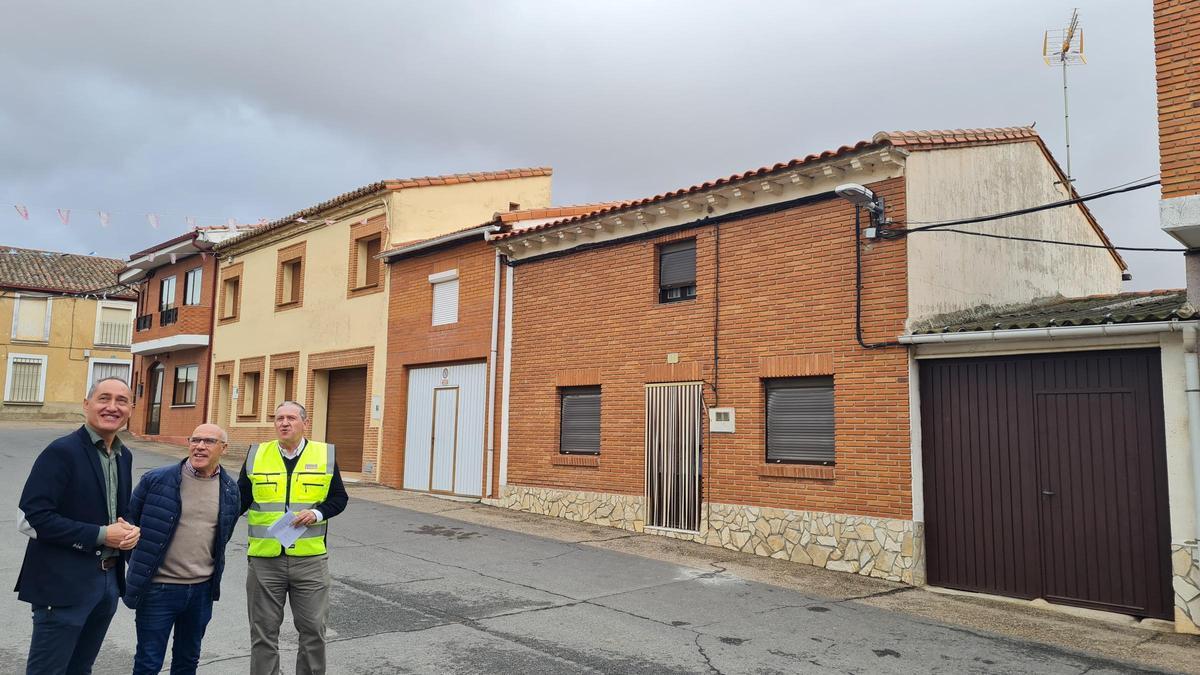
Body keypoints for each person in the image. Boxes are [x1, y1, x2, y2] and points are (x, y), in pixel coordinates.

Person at [15, 376, 141, 675]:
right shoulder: (62, 452)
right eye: (104, 399)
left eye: (121, 401)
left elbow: (116, 514)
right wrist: (102, 535)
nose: (113, 407)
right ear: (86, 405)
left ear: (130, 409)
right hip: (63, 585)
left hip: (108, 584)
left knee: (80, 669)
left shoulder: (123, 456)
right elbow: (32, 517)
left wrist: (129, 531)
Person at [240, 400, 349, 675]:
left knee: (313, 631)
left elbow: (339, 498)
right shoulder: (257, 454)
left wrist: (317, 513)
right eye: (279, 418)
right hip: (265, 561)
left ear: (304, 423)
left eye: (290, 418)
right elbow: (237, 500)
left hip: (310, 560)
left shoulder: (324, 455)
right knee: (263, 632)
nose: (284, 423)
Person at [123, 423, 241, 674]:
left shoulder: (230, 490)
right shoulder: (156, 480)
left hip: (201, 592)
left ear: (224, 448)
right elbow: (128, 525)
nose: (199, 446)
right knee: (148, 662)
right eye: (195, 439)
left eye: (208, 441)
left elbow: (223, 537)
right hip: (158, 589)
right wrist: (142, 566)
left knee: (188, 662)